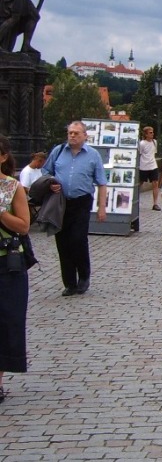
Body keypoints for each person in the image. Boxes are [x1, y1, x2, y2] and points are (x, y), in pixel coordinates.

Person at [41, 121, 107, 296]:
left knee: (78, 239)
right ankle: (69, 282)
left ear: (85, 136)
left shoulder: (93, 155)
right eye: (70, 132)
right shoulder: (58, 151)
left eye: (76, 133)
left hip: (82, 201)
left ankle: (84, 277)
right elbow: (46, 172)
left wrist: (102, 207)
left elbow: (101, 182)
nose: (72, 136)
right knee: (62, 242)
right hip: (61, 202)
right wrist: (51, 183)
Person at [0, 135, 31, 403]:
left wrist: (1, 213)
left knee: (5, 320)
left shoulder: (12, 187)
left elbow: (23, 226)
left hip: (6, 262)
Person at [138, 126, 161, 210]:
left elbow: (153, 153)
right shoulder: (142, 143)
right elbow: (140, 154)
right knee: (140, 183)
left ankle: (155, 203)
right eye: (150, 132)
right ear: (146, 134)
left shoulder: (155, 142)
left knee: (155, 184)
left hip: (153, 165)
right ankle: (136, 200)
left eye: (153, 132)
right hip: (144, 166)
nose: (152, 134)